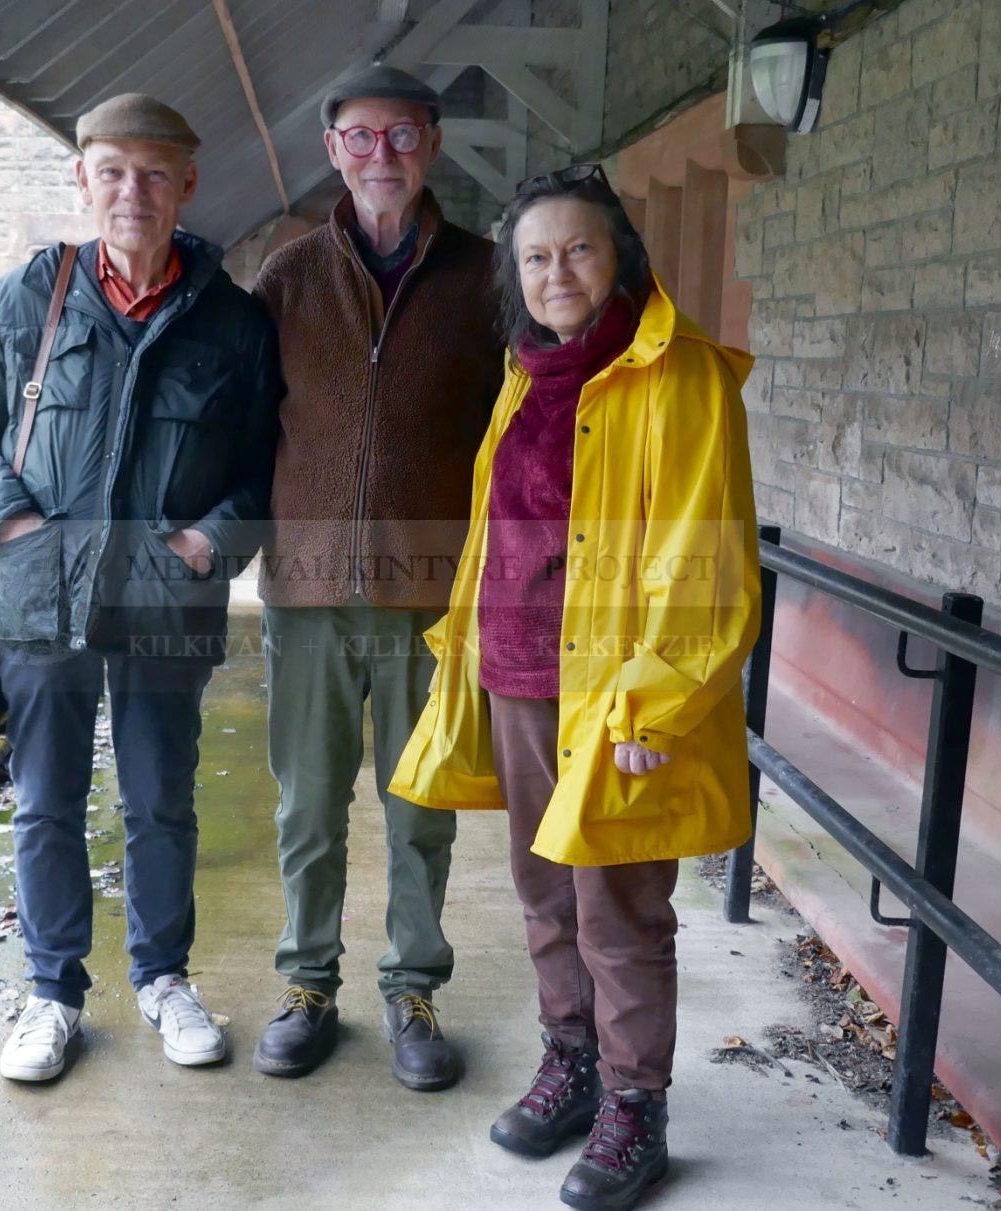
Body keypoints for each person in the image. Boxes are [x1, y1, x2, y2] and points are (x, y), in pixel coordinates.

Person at [388, 164, 761, 1210]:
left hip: (614, 691)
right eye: (537, 257)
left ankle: (636, 1104)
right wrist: (463, 641)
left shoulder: (680, 375)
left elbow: (705, 556)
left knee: (621, 909)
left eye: (580, 250)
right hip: (516, 674)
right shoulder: (525, 370)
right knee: (545, 895)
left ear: (622, 259)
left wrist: (655, 705)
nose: (558, 272)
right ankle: (573, 1063)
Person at [0, 93, 280, 1082]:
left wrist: (212, 543)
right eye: (113, 171)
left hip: (167, 602)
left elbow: (263, 470)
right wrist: (14, 523)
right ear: (82, 179)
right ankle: (51, 994)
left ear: (188, 186)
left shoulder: (235, 322)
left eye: (155, 173)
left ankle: (164, 977)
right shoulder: (26, 301)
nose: (134, 191)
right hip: (40, 599)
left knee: (162, 796)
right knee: (44, 800)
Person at [250, 66, 503, 1090]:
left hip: (428, 596)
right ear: (332, 149)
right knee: (307, 806)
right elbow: (243, 417)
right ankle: (309, 982)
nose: (381, 157)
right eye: (360, 138)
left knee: (418, 806)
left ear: (432, 144)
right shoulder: (288, 276)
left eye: (400, 136)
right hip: (306, 591)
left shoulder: (490, 275)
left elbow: (515, 428)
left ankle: (413, 987)